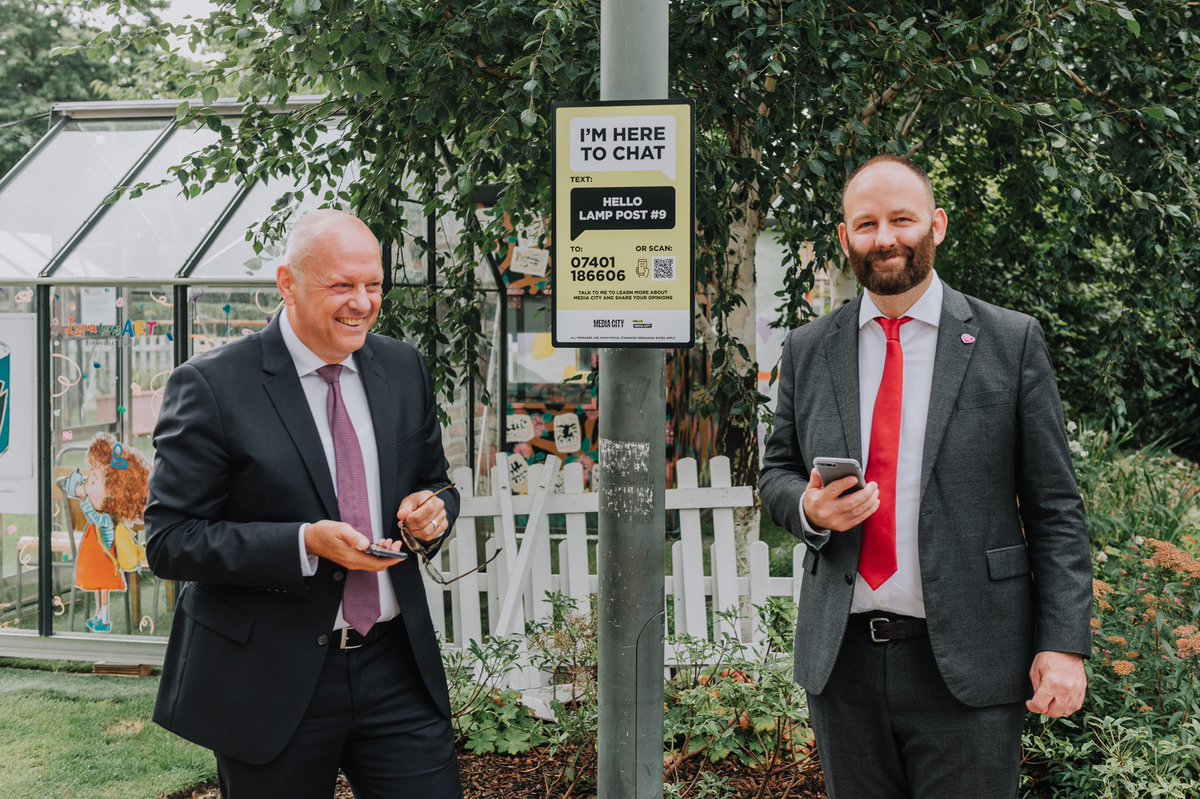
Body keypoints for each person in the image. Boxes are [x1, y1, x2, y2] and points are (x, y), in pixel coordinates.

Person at [759, 155, 1092, 798]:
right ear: (845, 238)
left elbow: (1055, 507)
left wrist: (1063, 644)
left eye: (902, 219)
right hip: (843, 663)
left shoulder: (1009, 341)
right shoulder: (808, 347)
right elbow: (777, 470)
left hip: (971, 661)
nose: (885, 238)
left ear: (936, 225)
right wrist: (807, 510)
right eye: (867, 224)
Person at [145, 209, 462, 798]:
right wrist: (304, 543)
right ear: (287, 283)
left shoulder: (402, 366)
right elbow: (170, 541)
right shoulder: (212, 386)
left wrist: (432, 511)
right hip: (268, 677)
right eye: (341, 285)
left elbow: (435, 481)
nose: (362, 303)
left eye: (373, 285)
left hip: (395, 664)